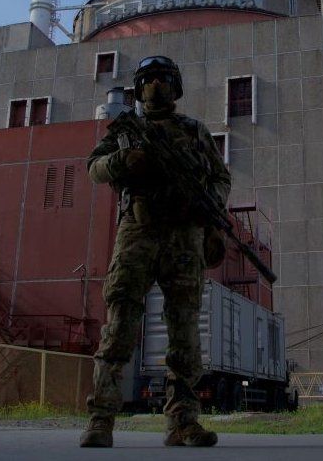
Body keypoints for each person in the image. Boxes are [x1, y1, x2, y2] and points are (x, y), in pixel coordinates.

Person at [80, 56, 230, 448]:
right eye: (149, 80)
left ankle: (182, 422)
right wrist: (122, 161)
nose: (157, 87)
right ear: (139, 87)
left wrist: (210, 210)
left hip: (184, 235)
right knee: (120, 324)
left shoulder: (194, 131)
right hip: (139, 231)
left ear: (176, 86)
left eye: (164, 79)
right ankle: (101, 420)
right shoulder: (128, 130)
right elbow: (93, 167)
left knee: (184, 332)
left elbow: (220, 177)